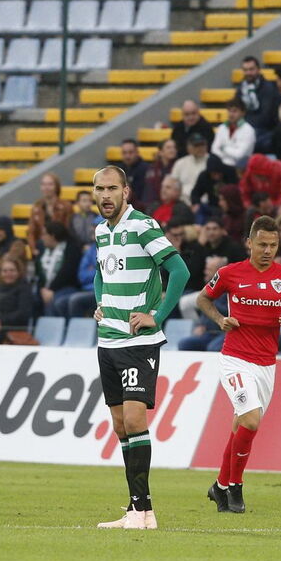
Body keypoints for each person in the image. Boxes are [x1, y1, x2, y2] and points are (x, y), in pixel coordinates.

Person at [92, 166, 190, 530]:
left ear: (126, 192)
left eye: (111, 188)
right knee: (120, 425)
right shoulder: (101, 231)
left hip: (138, 342)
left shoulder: (143, 226)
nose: (105, 195)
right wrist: (99, 302)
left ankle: (141, 511)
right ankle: (140, 510)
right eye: (99, 189)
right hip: (108, 339)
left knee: (134, 419)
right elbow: (101, 273)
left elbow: (179, 271)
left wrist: (159, 316)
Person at [198, 216, 281, 513]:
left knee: (241, 425)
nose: (268, 250)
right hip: (235, 359)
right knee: (250, 420)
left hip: (266, 364)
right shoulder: (230, 273)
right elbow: (203, 299)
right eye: (262, 244)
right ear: (249, 243)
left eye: (273, 245)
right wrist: (221, 319)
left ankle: (219, 486)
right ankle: (235, 486)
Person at [36, 221, 82, 316]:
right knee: (32, 299)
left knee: (54, 302)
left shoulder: (71, 248)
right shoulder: (43, 251)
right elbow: (39, 275)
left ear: (52, 236)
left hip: (67, 287)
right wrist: (42, 290)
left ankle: (54, 329)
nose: (42, 238)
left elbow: (67, 272)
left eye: (44, 234)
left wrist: (51, 290)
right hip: (46, 289)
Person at [235, 56, 279, 153]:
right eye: (245, 70)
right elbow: (235, 111)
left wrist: (247, 128)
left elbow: (266, 117)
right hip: (245, 128)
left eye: (251, 69)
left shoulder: (268, 88)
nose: (248, 73)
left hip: (264, 130)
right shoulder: (240, 89)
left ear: (258, 70)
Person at [0, 257, 34, 344]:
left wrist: (1, 321)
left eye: (12, 270)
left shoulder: (24, 289)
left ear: (18, 272)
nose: (8, 274)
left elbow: (23, 313)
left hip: (15, 330)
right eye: (5, 271)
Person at [211, 98, 256, 168]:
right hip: (221, 165)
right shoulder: (222, 127)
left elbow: (239, 155)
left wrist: (223, 148)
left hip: (240, 168)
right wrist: (227, 156)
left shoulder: (249, 130)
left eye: (235, 111)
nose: (231, 114)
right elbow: (214, 149)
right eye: (229, 111)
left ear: (243, 113)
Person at [171, 132, 209, 201]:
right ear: (189, 148)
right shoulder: (180, 163)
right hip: (182, 202)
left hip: (204, 203)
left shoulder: (212, 162)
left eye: (202, 145)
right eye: (196, 145)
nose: (200, 148)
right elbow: (173, 184)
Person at [143, 138, 178, 205]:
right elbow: (149, 192)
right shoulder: (152, 169)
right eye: (168, 147)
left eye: (174, 147)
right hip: (154, 205)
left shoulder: (179, 166)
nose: (172, 150)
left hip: (174, 204)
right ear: (160, 152)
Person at [120, 139, 150, 208]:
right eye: (124, 153)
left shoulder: (146, 169)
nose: (127, 156)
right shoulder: (119, 170)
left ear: (137, 152)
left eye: (130, 152)